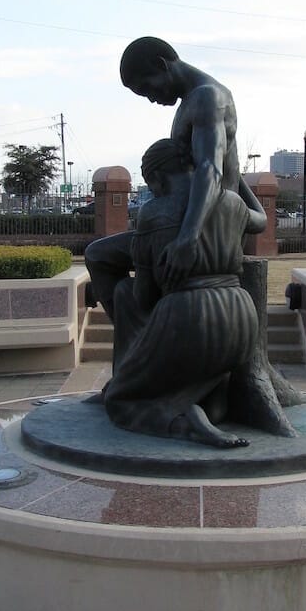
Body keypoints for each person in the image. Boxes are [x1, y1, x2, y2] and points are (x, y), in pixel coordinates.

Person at [85, 36, 264, 319]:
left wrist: (188, 238)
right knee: (108, 259)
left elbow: (209, 169)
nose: (151, 98)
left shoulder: (207, 97)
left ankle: (144, 336)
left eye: (147, 87)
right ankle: (148, 334)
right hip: (197, 220)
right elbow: (221, 168)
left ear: (162, 64)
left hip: (200, 228)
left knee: (97, 256)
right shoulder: (193, 101)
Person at [103, 138, 265, 448]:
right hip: (241, 319)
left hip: (188, 316)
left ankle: (182, 423)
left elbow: (144, 297)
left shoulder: (154, 212)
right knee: (213, 399)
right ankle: (202, 412)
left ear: (157, 177)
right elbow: (262, 220)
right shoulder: (232, 202)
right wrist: (238, 177)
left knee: (119, 400)